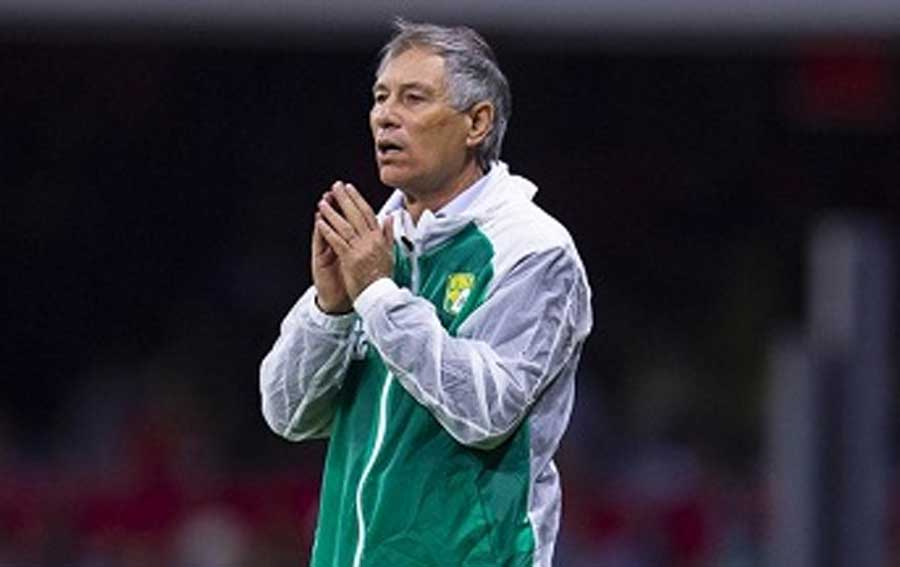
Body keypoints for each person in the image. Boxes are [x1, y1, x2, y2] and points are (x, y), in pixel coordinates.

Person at [260, 20, 593, 567]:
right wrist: (331, 311)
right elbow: (287, 414)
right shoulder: (375, 241)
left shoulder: (533, 249)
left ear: (477, 122)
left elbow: (487, 414)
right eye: (380, 97)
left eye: (413, 98)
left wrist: (377, 295)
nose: (386, 116)